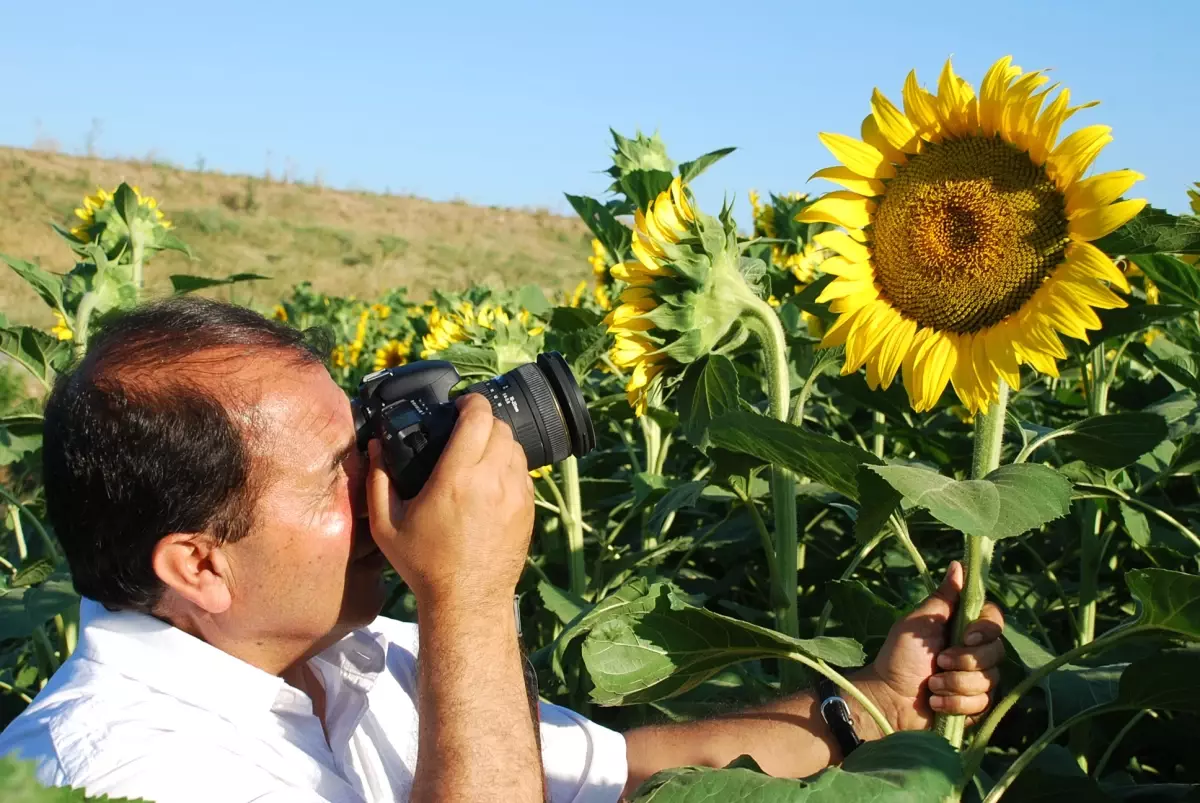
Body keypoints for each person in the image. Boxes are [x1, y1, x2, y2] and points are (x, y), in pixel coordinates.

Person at [0, 298, 1005, 803]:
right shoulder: (111, 771)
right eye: (339, 474)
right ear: (199, 564)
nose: (388, 483)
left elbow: (631, 771)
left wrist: (869, 698)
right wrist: (470, 595)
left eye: (367, 437)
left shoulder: (369, 657)